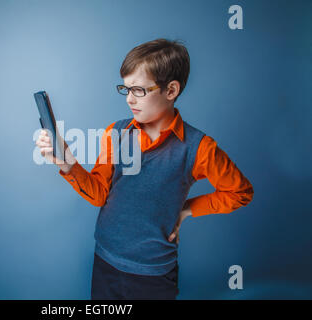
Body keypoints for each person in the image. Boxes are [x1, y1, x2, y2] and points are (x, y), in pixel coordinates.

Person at [35, 38, 254, 300]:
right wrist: (67, 163)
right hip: (105, 261)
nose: (129, 99)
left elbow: (239, 192)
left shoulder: (199, 148)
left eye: (138, 90)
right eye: (125, 89)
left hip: (154, 276)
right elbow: (99, 195)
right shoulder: (115, 133)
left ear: (171, 90)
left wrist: (187, 209)